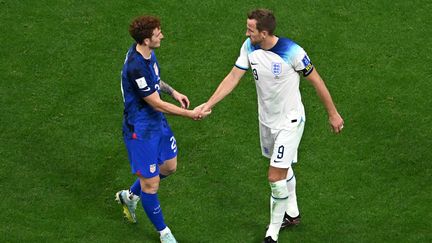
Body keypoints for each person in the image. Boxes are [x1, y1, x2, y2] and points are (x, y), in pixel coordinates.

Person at [196, 9, 344, 243]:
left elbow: (316, 81)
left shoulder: (293, 52)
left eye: (250, 30)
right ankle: (293, 213)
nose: (246, 33)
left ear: (264, 33)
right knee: (282, 167)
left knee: (275, 177)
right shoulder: (249, 47)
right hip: (266, 121)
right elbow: (233, 77)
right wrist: (209, 104)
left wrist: (333, 114)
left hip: (290, 122)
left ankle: (272, 233)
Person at [115, 15, 209, 243]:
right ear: (146, 40)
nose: (162, 36)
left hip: (156, 122)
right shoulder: (134, 67)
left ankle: (129, 196)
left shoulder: (147, 53)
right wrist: (189, 114)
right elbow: (155, 103)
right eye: (158, 33)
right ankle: (164, 233)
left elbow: (156, 81)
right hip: (140, 129)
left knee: (169, 166)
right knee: (151, 184)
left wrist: (174, 92)